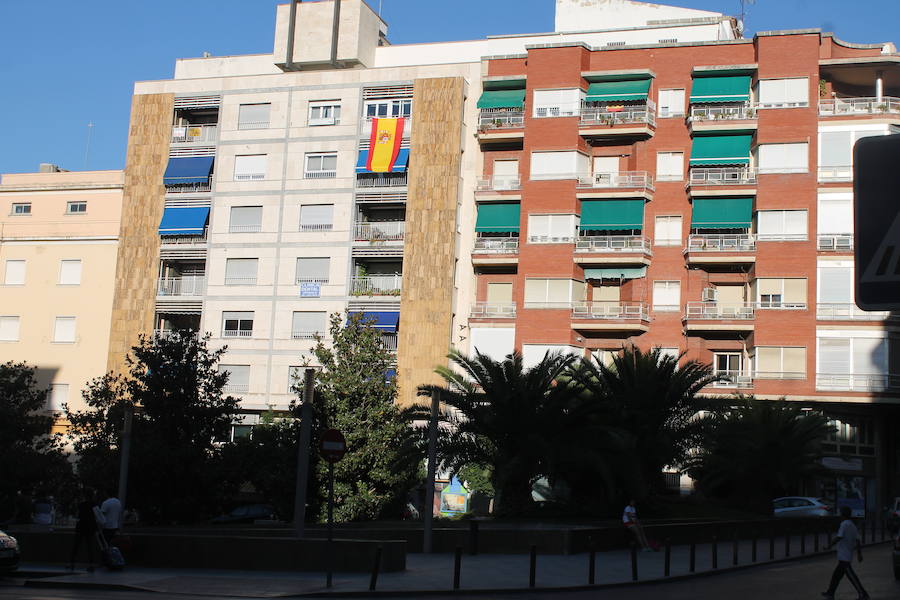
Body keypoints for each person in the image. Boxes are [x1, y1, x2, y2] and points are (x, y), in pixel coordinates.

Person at [822, 505, 869, 600]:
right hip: (846, 555)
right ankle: (830, 593)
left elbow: (839, 537)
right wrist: (859, 554)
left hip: (844, 557)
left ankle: (863, 594)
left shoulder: (844, 524)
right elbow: (858, 540)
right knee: (836, 576)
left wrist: (829, 546)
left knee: (852, 577)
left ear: (843, 515)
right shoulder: (852, 525)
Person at [69, 490, 99, 572]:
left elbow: (78, 515)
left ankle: (72, 563)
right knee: (90, 546)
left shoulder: (81, 505)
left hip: (81, 527)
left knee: (76, 546)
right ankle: (91, 565)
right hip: (90, 528)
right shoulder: (95, 505)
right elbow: (98, 517)